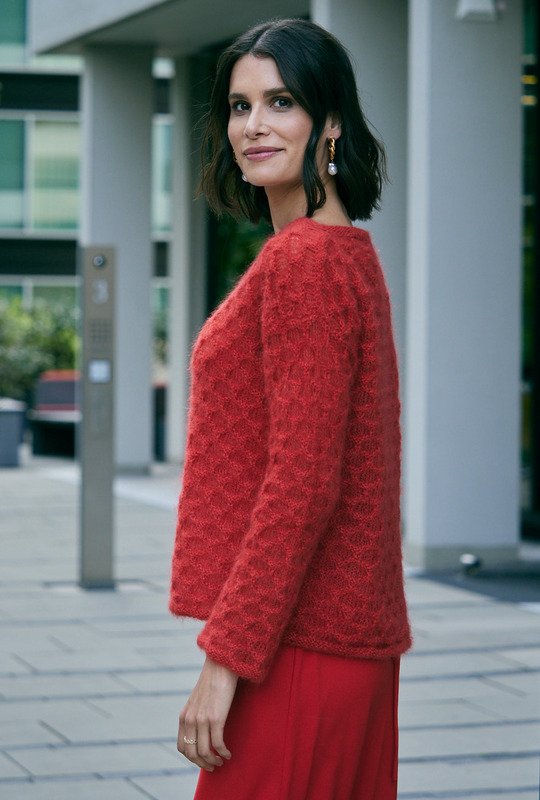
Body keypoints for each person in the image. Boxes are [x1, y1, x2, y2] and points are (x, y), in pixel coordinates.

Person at [168, 17, 413, 800]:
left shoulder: (305, 262)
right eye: (239, 107)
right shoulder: (343, 253)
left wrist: (224, 662)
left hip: (299, 651)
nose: (254, 126)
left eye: (281, 103)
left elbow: (304, 481)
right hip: (337, 639)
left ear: (329, 123)